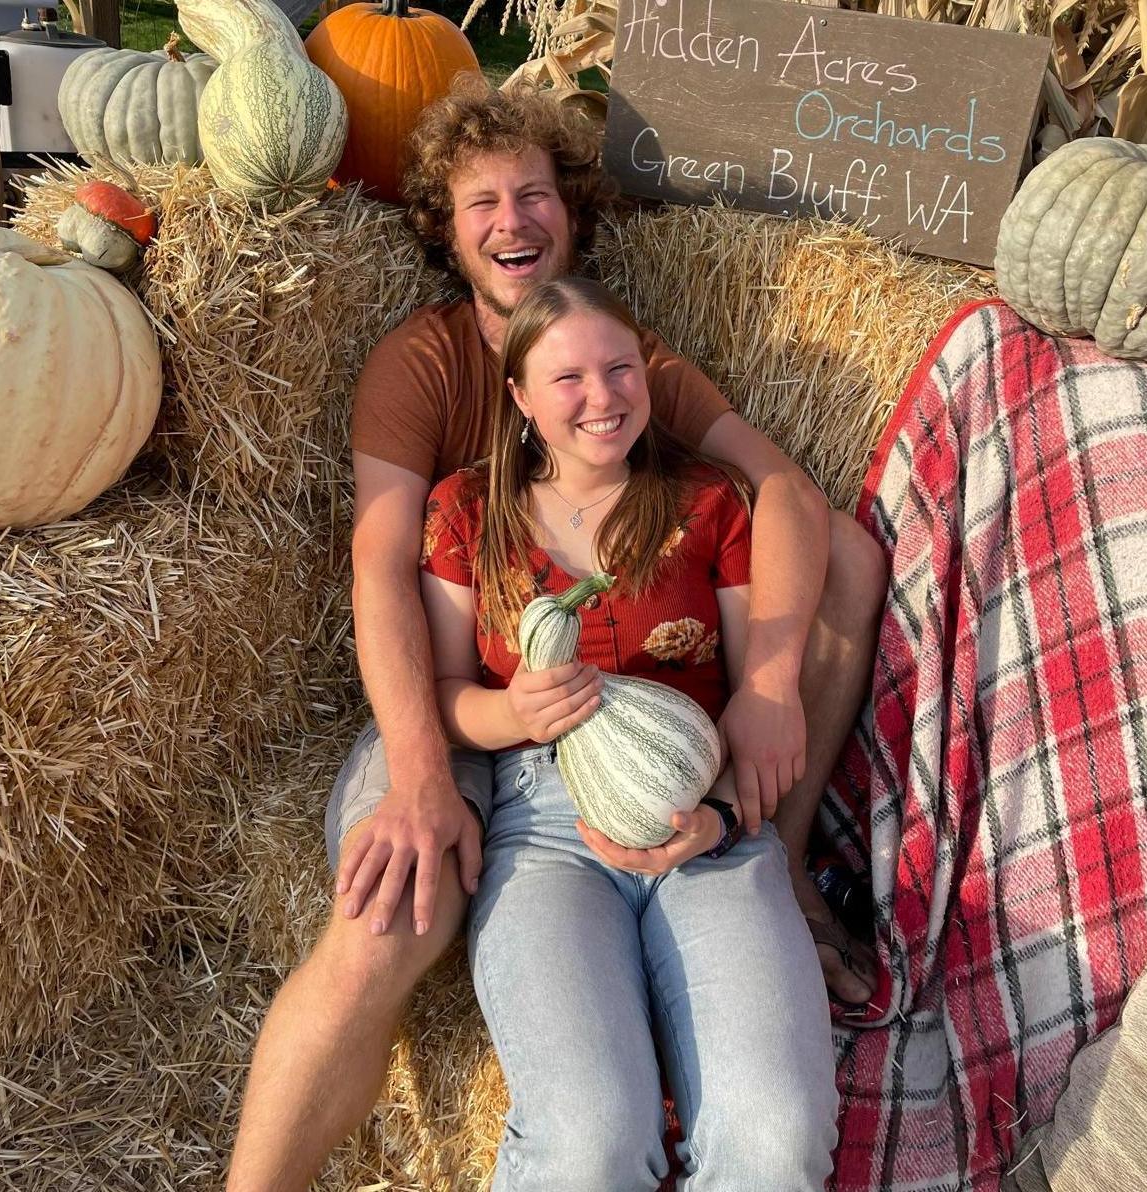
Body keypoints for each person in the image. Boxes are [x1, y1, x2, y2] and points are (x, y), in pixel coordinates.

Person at [226, 78, 884, 1192]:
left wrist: (766, 687)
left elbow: (789, 503)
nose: (513, 219)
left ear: (572, 212)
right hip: (461, 692)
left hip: (645, 732)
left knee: (847, 567)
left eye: (535, 193)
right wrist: (427, 772)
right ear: (447, 227)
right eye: (482, 200)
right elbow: (382, 573)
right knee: (386, 918)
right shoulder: (424, 365)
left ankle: (782, 851)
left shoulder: (619, 355)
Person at [418, 275, 840, 1188]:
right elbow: (445, 692)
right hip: (544, 826)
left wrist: (723, 818)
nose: (603, 398)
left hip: (706, 814)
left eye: (620, 369)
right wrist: (509, 711)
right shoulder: (466, 513)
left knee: (774, 1136)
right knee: (589, 1143)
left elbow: (748, 701)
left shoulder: (707, 505)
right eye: (567, 378)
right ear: (521, 397)